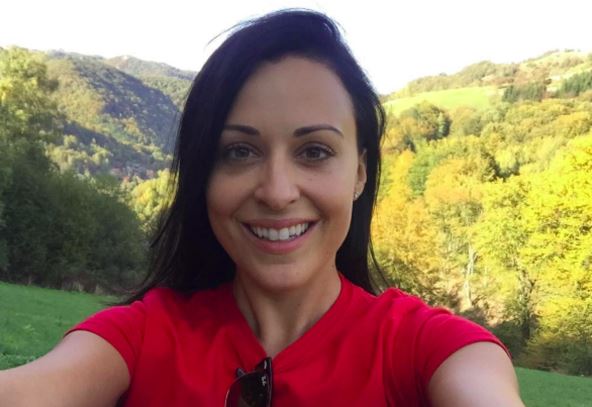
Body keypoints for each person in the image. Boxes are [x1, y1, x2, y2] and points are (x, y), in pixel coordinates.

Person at [0, 9, 524, 406]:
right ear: (204, 174)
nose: (276, 191)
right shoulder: (139, 339)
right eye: (239, 152)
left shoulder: (429, 350)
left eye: (314, 151)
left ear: (360, 172)